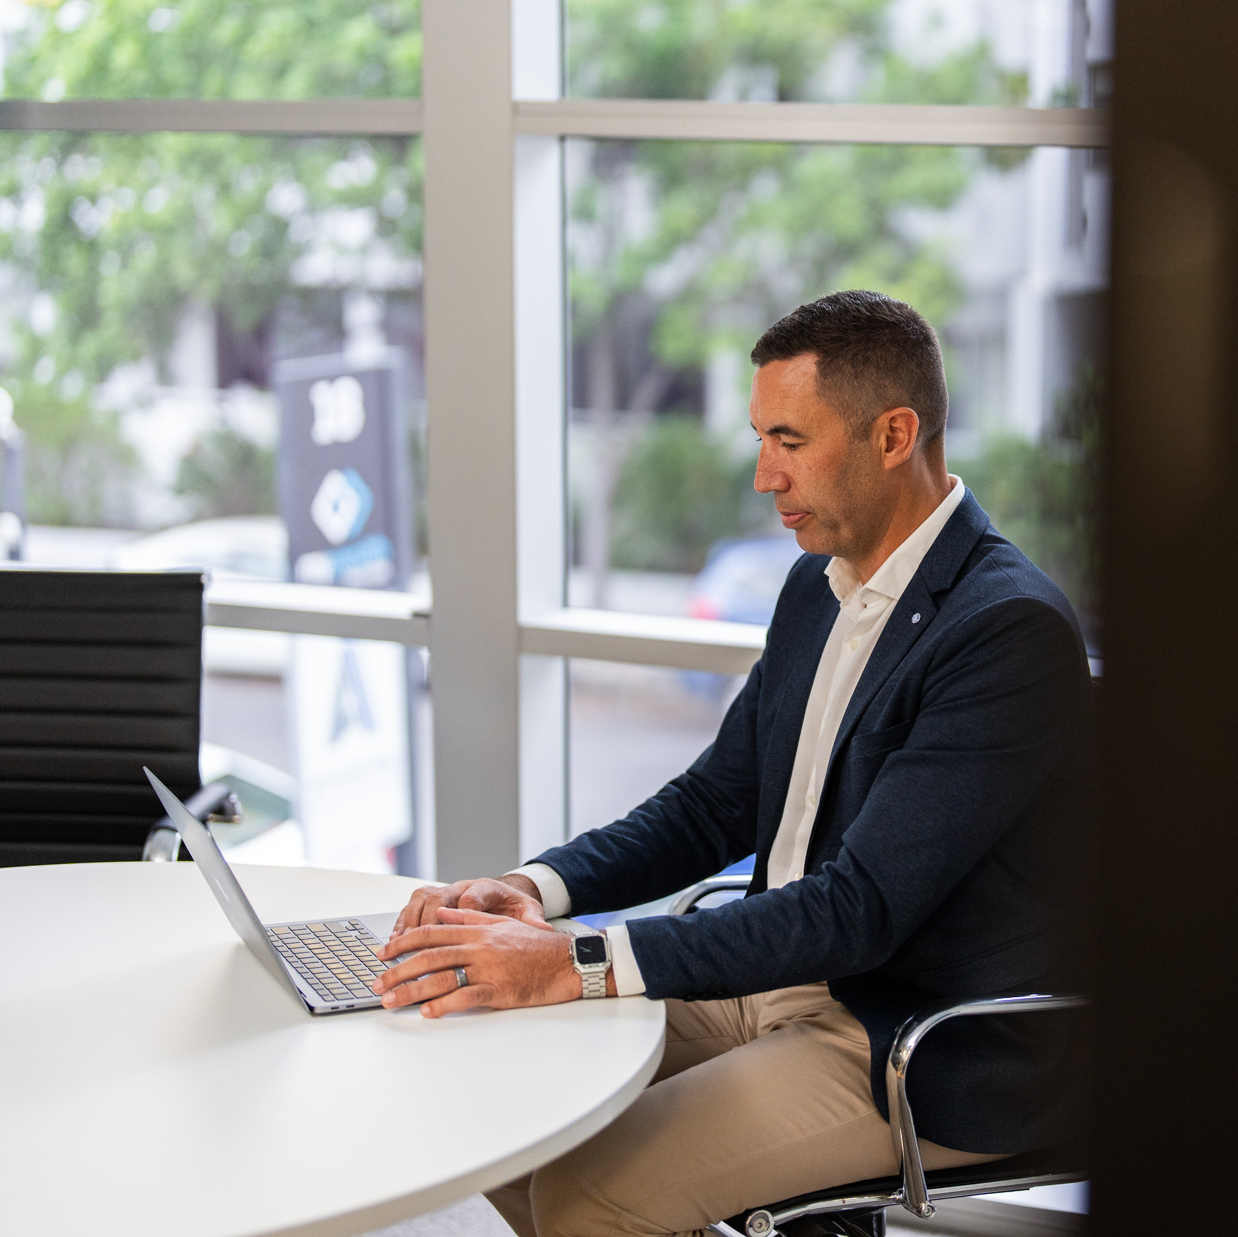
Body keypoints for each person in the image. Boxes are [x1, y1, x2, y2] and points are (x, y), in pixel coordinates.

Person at [373, 289, 1092, 1237]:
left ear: (894, 434)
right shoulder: (817, 586)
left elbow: (858, 912)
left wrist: (573, 963)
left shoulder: (1006, 630)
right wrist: (533, 891)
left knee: (590, 1198)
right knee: (503, 1101)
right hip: (779, 976)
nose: (763, 475)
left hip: (909, 1035)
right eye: (762, 438)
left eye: (790, 440)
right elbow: (714, 803)